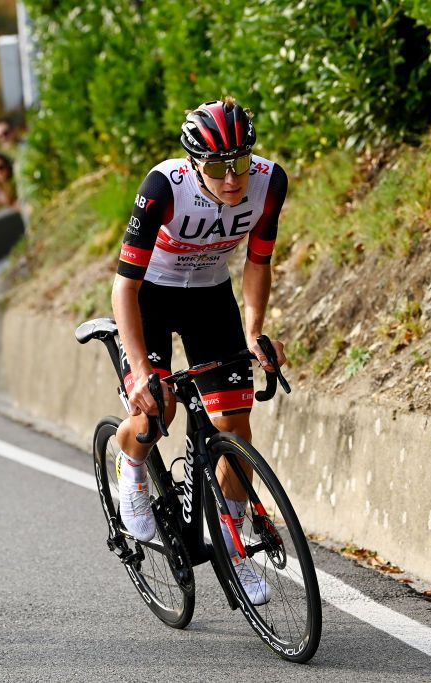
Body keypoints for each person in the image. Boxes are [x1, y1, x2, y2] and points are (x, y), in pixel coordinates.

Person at [112, 97, 288, 606]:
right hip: (152, 294)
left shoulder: (269, 183)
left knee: (235, 428)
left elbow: (258, 261)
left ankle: (233, 550)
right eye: (216, 167)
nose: (231, 179)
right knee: (159, 406)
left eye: (237, 163)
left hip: (211, 295)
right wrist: (140, 367)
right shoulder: (164, 187)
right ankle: (132, 466)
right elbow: (124, 285)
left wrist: (255, 330)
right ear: (194, 164)